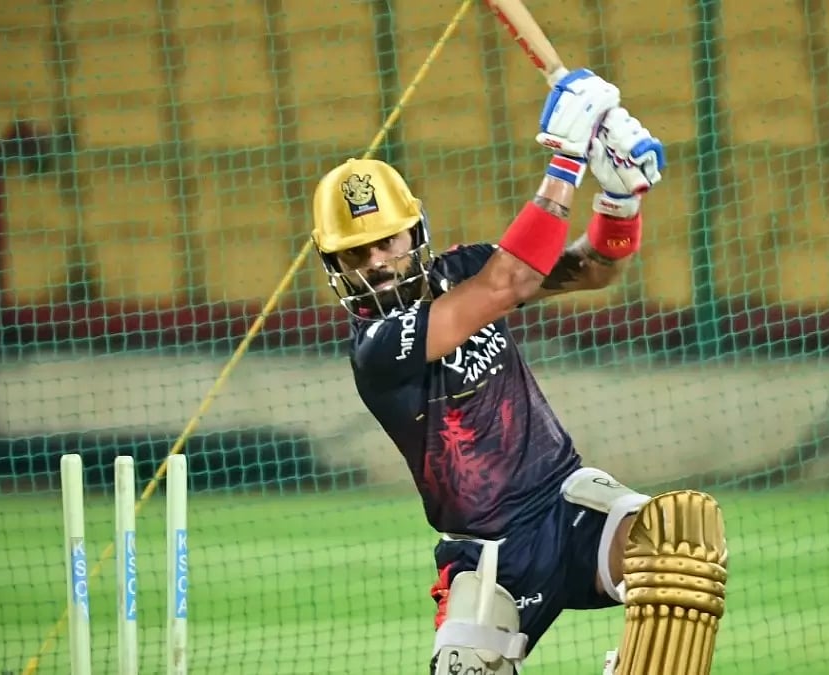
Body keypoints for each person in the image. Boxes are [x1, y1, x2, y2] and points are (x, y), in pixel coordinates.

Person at [311, 69, 729, 674]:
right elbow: (512, 281)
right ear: (335, 264)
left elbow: (593, 271)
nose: (377, 262)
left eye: (388, 241)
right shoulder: (376, 348)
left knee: (678, 541)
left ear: (415, 232)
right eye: (357, 252)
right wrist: (565, 162)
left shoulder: (469, 269)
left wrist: (619, 202)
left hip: (568, 504)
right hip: (488, 555)